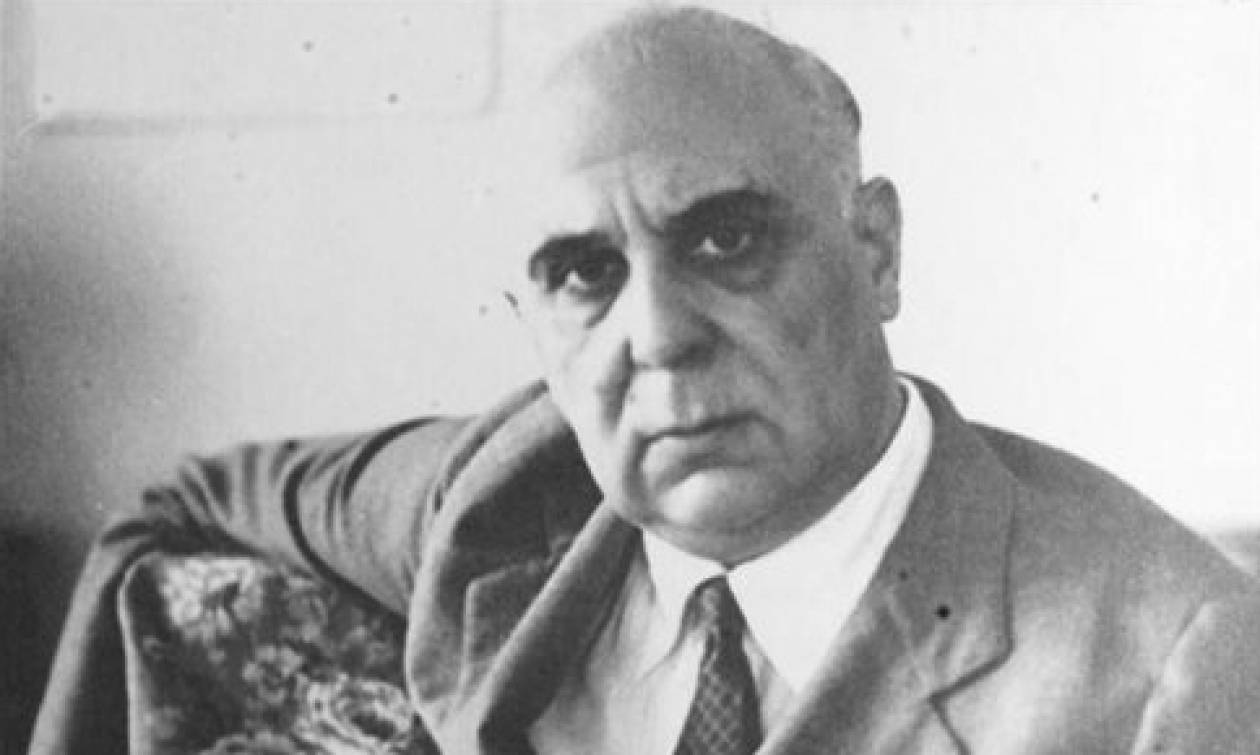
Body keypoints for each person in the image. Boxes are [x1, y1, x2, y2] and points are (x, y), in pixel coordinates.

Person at [33, 5, 1260, 753]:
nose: (659, 336)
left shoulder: (1167, 663)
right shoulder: (501, 492)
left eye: (726, 238)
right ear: (531, 324)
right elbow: (185, 505)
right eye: (585, 272)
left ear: (877, 251)